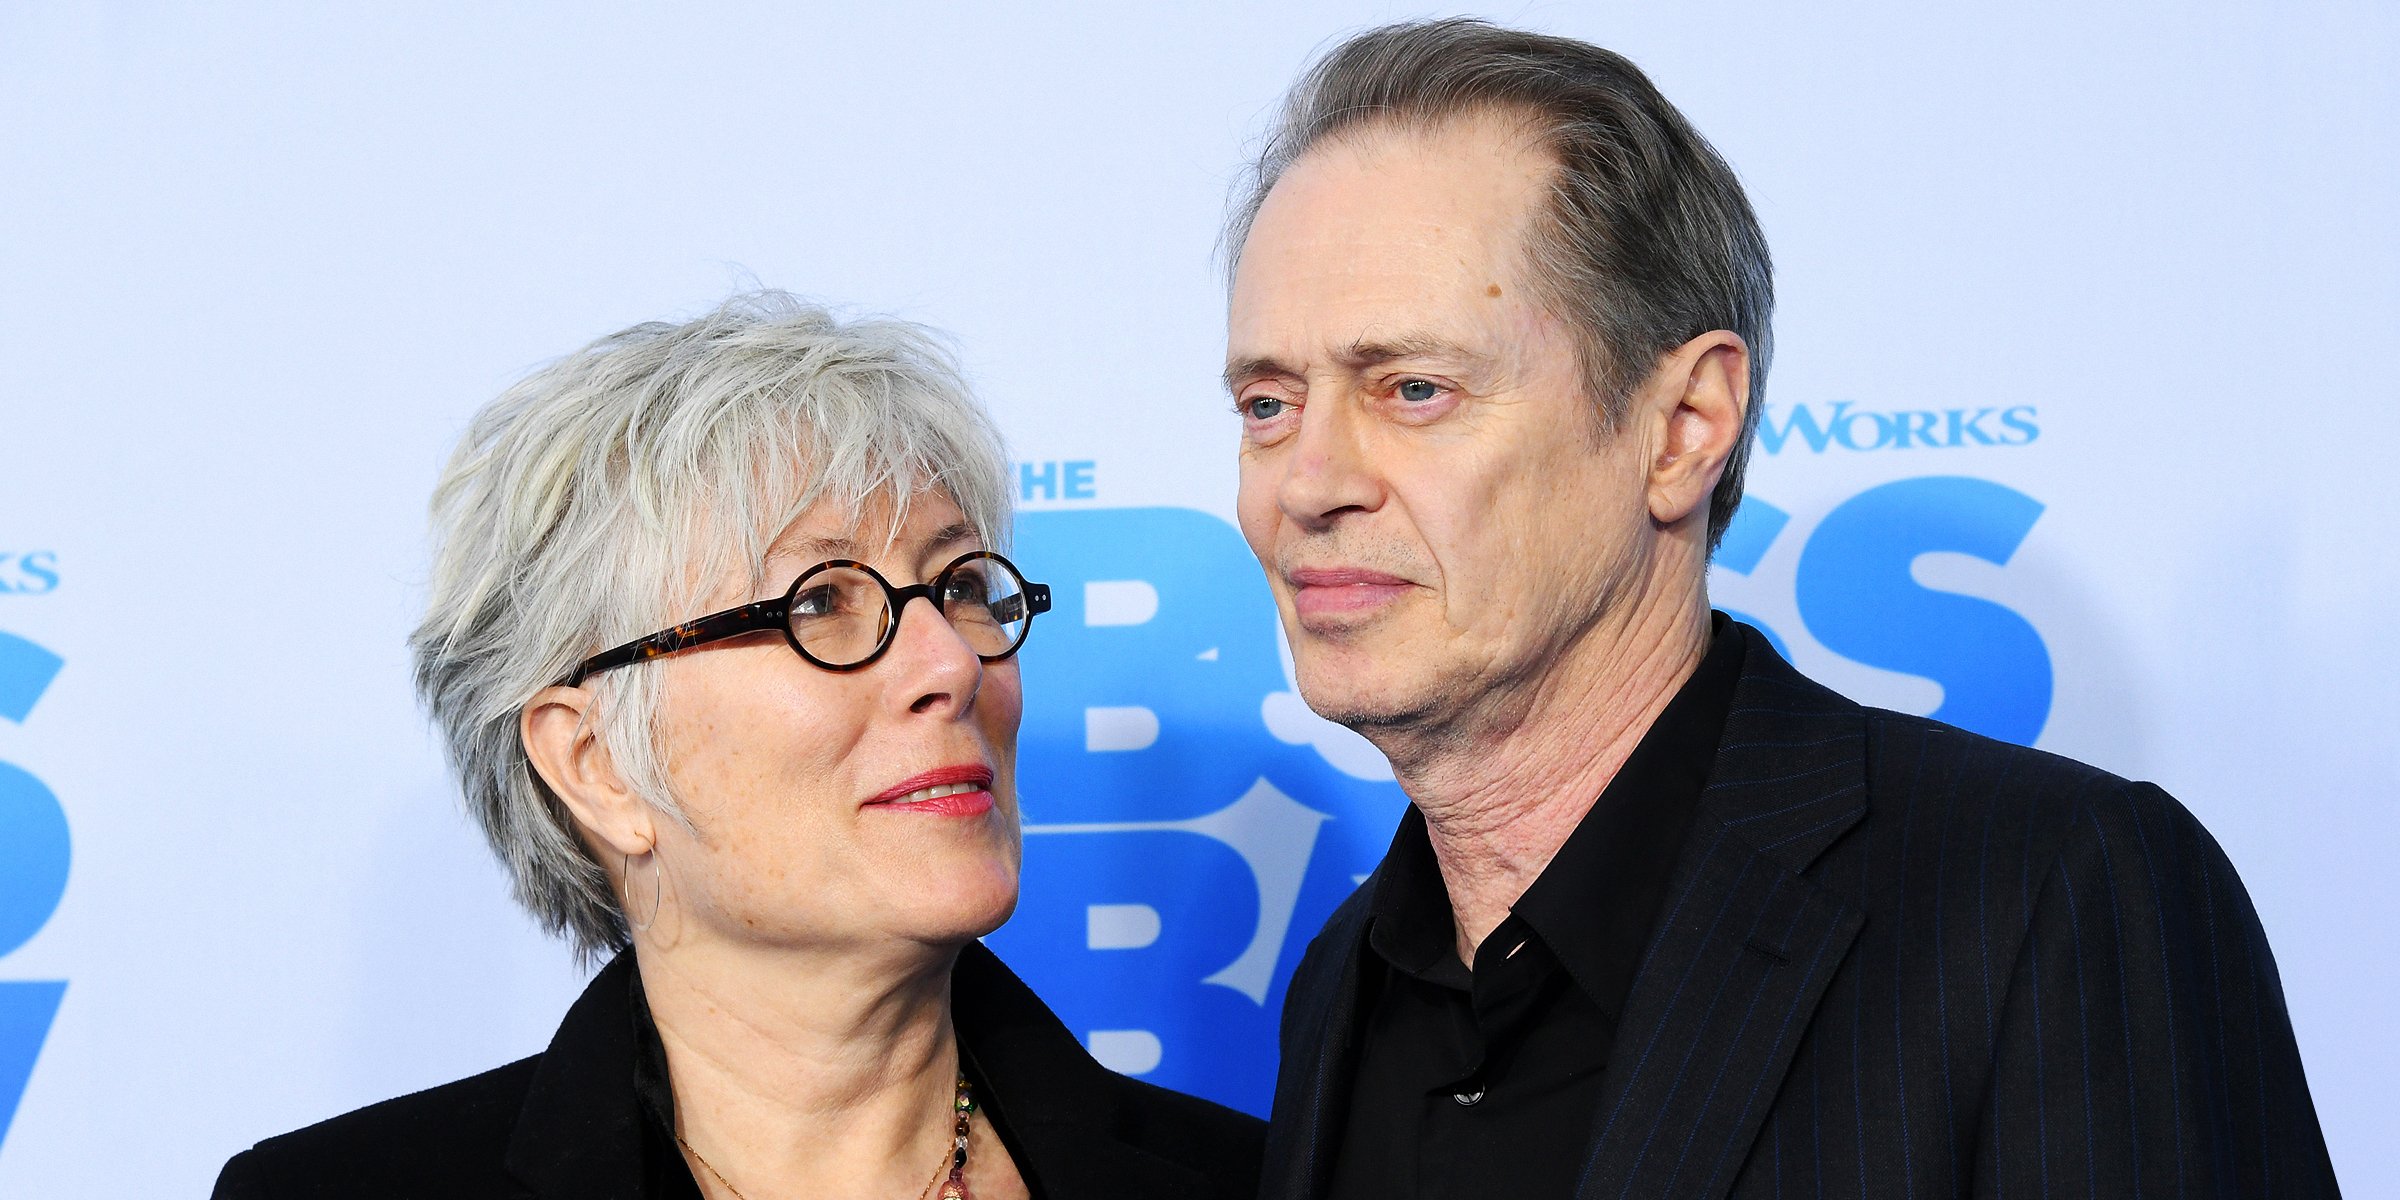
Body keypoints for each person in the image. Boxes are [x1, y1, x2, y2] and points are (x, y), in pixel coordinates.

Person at [1223, 20, 2335, 1198]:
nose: (1308, 483)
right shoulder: (1344, 985)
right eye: (1267, 405)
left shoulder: (2045, 899)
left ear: (1686, 425)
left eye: (1413, 388)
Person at [213, 294, 1263, 1200]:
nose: (948, 663)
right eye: (821, 604)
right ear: (596, 764)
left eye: (956, 587)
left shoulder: (1266, 1180)